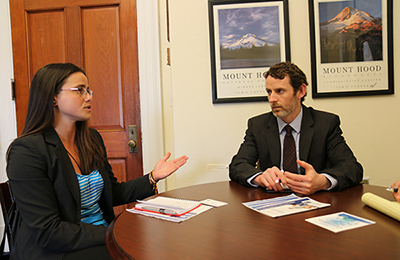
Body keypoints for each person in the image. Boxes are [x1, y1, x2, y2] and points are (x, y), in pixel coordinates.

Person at [6, 63, 188, 260]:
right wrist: (115, 233)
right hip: (58, 250)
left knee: (166, 245)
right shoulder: (27, 151)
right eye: (80, 90)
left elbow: (112, 192)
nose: (89, 97)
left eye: (88, 90)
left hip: (100, 235)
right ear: (53, 97)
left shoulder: (91, 139)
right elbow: (48, 231)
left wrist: (152, 177)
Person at [229, 61, 363, 195]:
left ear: (300, 91)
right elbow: (238, 165)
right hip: (271, 201)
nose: (272, 99)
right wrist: (260, 177)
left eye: (279, 91)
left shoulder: (326, 123)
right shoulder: (258, 125)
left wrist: (322, 181)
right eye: (269, 92)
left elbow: (352, 168)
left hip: (315, 201)